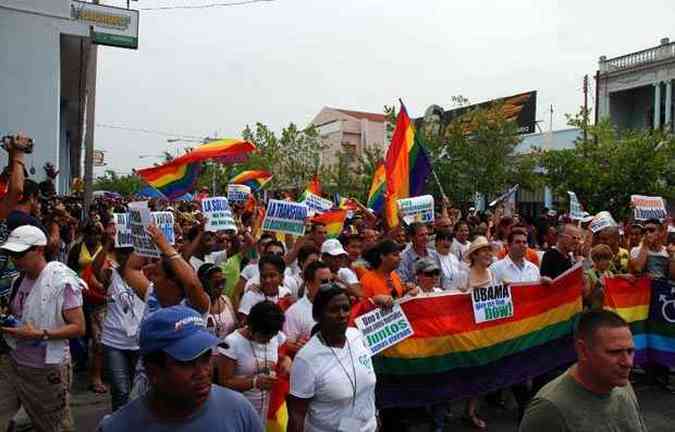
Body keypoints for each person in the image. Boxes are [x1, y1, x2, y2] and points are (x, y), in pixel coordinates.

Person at [97, 305, 263, 431]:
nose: (203, 373)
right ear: (153, 370)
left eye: (205, 358)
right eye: (187, 362)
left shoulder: (239, 410)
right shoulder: (118, 427)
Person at [0, 225, 86, 432]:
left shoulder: (61, 281)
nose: (15, 259)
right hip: (14, 364)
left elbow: (78, 327)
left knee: (54, 426)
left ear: (39, 249)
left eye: (20, 253)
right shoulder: (18, 280)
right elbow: (20, 316)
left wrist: (40, 333)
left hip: (46, 369)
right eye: (11, 253)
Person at [519, 309, 648, 432]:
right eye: (615, 352)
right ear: (583, 351)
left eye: (630, 351)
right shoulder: (548, 410)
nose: (628, 363)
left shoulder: (621, 383)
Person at [287, 283, 377, 432]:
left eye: (346, 308)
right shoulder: (306, 359)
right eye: (333, 310)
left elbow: (368, 390)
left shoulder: (357, 337)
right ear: (317, 315)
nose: (342, 315)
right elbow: (297, 414)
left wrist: (374, 416)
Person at [92, 232, 149, 412]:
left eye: (129, 252)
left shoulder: (145, 276)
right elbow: (94, 268)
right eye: (121, 252)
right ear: (116, 254)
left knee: (139, 391)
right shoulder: (110, 274)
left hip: (139, 343)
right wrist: (108, 242)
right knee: (121, 390)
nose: (125, 257)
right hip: (114, 343)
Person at [217, 301, 289, 422]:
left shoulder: (275, 335)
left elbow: (279, 355)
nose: (268, 340)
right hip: (238, 411)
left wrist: (286, 359)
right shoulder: (232, 343)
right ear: (251, 327)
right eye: (264, 337)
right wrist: (254, 383)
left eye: (271, 337)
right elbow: (224, 382)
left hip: (265, 410)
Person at [284, 261, 332, 355]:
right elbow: (287, 347)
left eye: (331, 281)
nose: (330, 286)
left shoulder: (339, 306)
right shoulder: (294, 313)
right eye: (324, 282)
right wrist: (296, 346)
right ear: (309, 284)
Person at [361, 239, 416, 308]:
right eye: (395, 255)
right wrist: (375, 300)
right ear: (382, 257)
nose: (400, 258)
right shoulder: (367, 279)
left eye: (399, 254)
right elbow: (362, 308)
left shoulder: (394, 275)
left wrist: (408, 293)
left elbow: (398, 300)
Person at [238, 254, 292, 322]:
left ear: (282, 277)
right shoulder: (250, 296)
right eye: (264, 276)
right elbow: (243, 324)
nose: (267, 280)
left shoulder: (286, 294)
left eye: (272, 276)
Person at [198, 263, 237, 339]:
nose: (221, 286)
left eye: (223, 281)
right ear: (204, 283)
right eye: (216, 282)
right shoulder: (196, 305)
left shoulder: (226, 300)